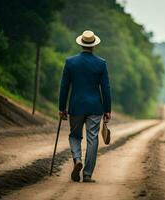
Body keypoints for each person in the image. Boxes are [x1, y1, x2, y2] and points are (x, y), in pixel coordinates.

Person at [58, 30, 111, 183]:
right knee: (92, 138)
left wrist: (62, 108)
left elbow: (64, 87)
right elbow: (105, 88)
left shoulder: (70, 62)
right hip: (95, 107)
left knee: (75, 136)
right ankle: (87, 174)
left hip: (76, 106)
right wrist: (107, 109)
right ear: (94, 46)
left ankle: (77, 159)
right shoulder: (101, 63)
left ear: (81, 43)